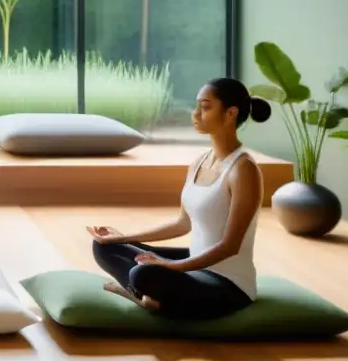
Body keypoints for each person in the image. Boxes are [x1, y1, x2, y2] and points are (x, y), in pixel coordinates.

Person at [87, 77, 271, 321]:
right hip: (195, 260)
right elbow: (182, 223)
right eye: (197, 106)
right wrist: (122, 237)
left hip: (227, 284)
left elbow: (230, 246)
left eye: (205, 107)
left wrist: (169, 266)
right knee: (104, 246)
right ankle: (149, 298)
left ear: (231, 113)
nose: (195, 114)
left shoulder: (243, 170)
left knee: (143, 275)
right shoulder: (199, 162)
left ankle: (142, 294)